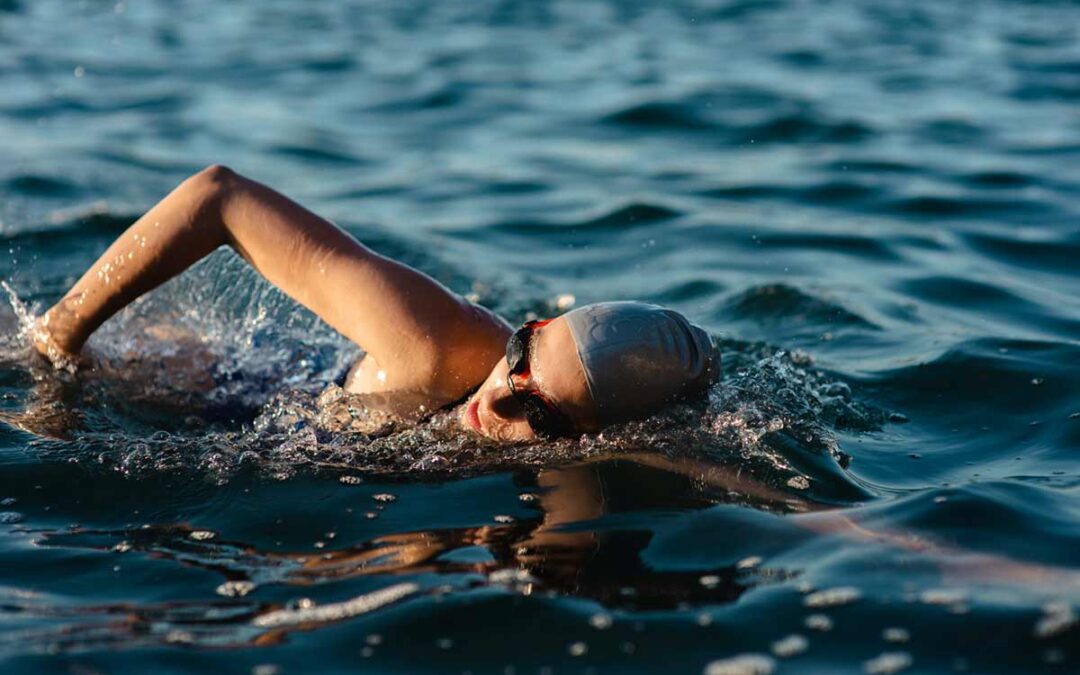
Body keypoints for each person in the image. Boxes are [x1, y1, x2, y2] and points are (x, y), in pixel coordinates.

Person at [31, 165, 719, 442]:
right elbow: (219, 196)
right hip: (217, 386)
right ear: (529, 327)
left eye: (536, 411)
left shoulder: (598, 443)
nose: (498, 403)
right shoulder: (437, 345)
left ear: (589, 438)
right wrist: (60, 340)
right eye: (519, 358)